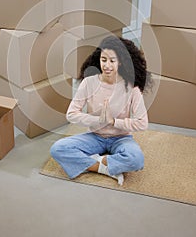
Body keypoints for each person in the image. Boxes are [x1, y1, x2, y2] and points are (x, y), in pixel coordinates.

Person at [50, 35, 152, 185]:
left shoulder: (132, 87)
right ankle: (106, 168)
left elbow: (143, 123)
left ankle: (94, 162)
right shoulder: (89, 82)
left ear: (121, 62)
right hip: (95, 136)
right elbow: (71, 114)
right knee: (57, 148)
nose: (107, 65)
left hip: (121, 138)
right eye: (104, 60)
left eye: (112, 61)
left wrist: (114, 122)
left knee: (136, 159)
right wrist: (98, 121)